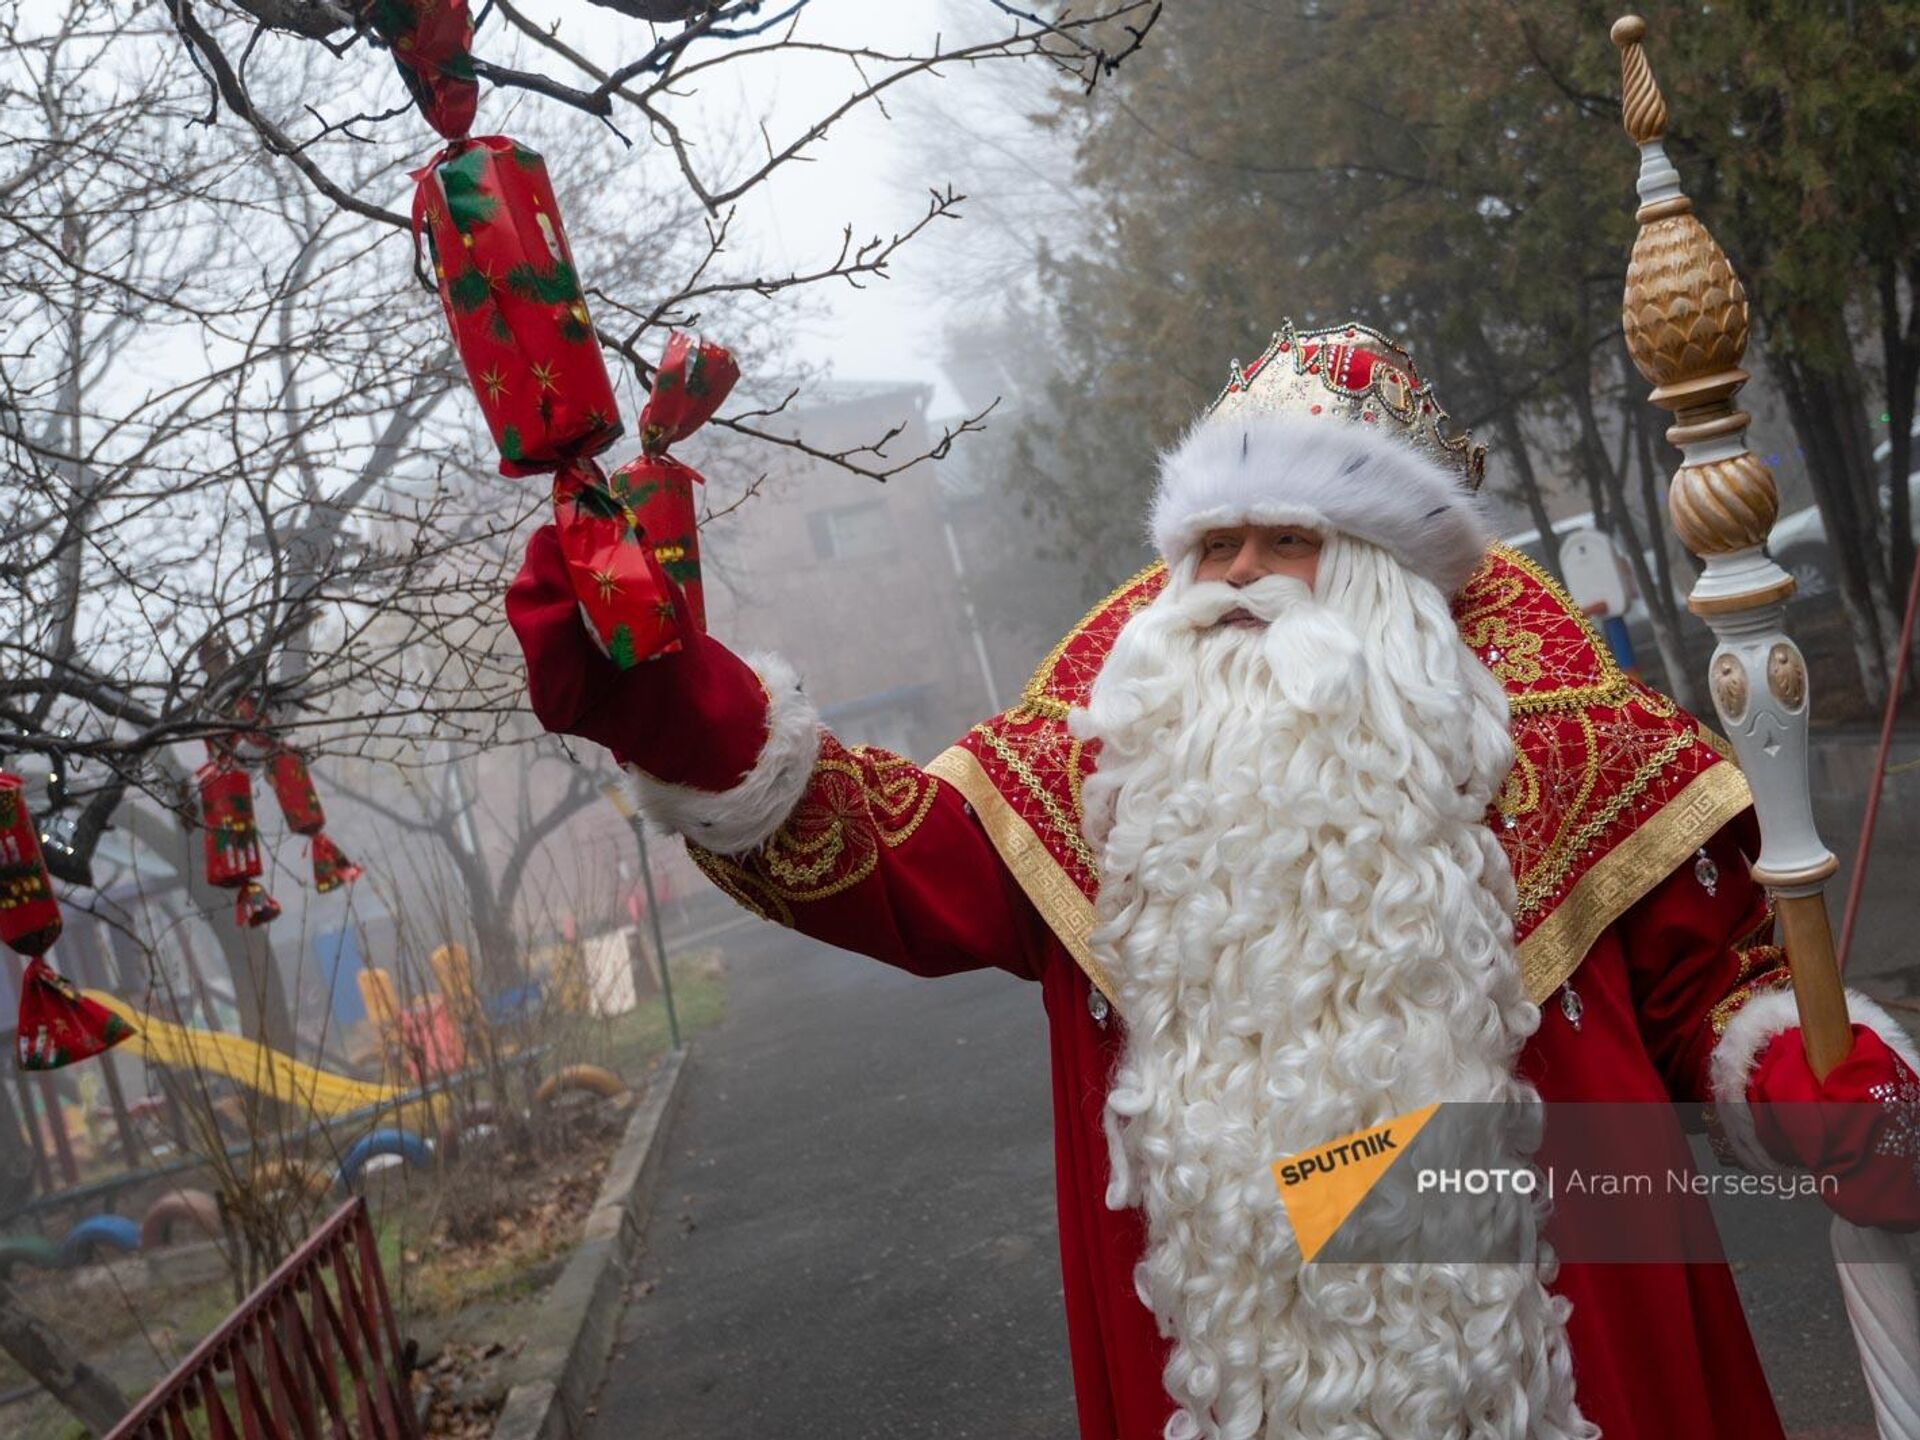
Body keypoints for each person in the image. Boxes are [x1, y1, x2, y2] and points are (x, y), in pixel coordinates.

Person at [508, 320, 1920, 1439]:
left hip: (1562, 1349)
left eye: (1287, 540)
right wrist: (672, 703)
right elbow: (875, 849)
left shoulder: (1566, 735)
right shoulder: (1106, 758)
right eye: (1213, 546)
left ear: (1384, 574)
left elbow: (1720, 985)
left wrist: (1810, 1078)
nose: (1238, 578)